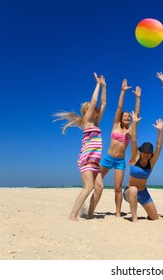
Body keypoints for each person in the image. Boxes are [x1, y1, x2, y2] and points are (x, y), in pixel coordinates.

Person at [53, 73, 106, 221]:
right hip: (86, 159)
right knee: (89, 187)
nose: (96, 109)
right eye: (93, 108)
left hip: (95, 162)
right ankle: (72, 215)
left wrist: (104, 86)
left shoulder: (96, 123)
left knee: (99, 188)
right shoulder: (87, 122)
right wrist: (97, 85)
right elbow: (95, 101)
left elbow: (103, 103)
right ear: (87, 112)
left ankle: (89, 213)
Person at [88, 79, 140, 218]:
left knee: (118, 188)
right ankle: (90, 211)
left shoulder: (130, 131)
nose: (127, 117)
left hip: (120, 162)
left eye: (128, 117)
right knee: (96, 185)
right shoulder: (116, 126)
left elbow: (137, 115)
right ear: (120, 118)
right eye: (125, 116)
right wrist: (123, 92)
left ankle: (118, 214)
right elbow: (119, 107)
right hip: (107, 158)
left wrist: (137, 98)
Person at [123, 111, 163, 222]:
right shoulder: (135, 158)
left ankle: (147, 214)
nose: (145, 155)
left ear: (151, 154)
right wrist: (134, 124)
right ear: (140, 152)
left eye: (148, 153)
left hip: (143, 192)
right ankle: (134, 218)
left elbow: (159, 146)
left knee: (155, 218)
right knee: (134, 189)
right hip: (129, 192)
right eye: (144, 153)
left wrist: (160, 131)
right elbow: (134, 140)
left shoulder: (152, 162)